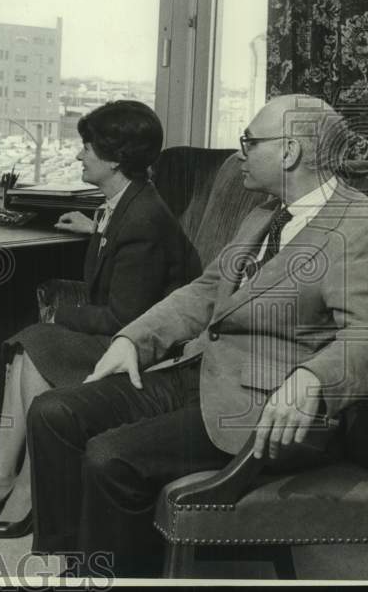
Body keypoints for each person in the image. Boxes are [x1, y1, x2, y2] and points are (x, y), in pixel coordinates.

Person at [26, 94, 368, 578]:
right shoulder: (264, 214)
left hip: (268, 406)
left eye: (249, 142)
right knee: (53, 413)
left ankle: (113, 578)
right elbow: (207, 290)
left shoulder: (357, 224)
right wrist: (134, 338)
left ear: (289, 151)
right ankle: (81, 564)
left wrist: (315, 377)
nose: (239, 155)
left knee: (111, 459)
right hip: (201, 368)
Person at [0, 100, 197, 539]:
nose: (79, 155)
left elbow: (126, 316)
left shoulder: (142, 219)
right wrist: (96, 228)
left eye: (87, 147)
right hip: (127, 333)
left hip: (146, 350)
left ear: (116, 159)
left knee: (35, 343)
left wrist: (59, 312)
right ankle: (4, 481)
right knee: (28, 349)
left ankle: (22, 486)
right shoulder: (126, 203)